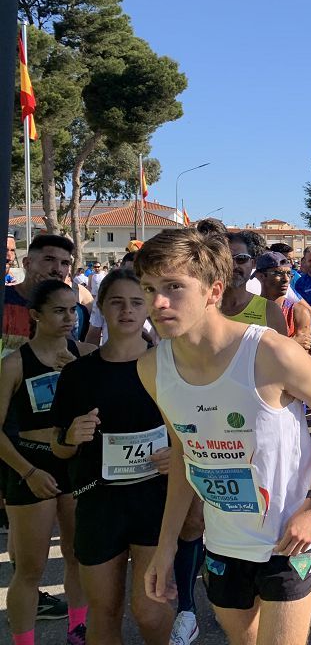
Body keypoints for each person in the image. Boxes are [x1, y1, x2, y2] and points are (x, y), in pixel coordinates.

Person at [136, 229, 311, 644]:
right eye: (149, 288)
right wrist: (165, 546)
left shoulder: (270, 352)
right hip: (223, 542)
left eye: (174, 287)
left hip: (288, 539)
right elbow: (183, 453)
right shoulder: (151, 369)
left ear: (214, 290)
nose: (158, 302)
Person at [50, 269, 174, 644]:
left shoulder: (168, 366)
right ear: (101, 307)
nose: (127, 311)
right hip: (98, 505)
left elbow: (195, 435)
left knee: (151, 613)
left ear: (149, 308)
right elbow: (59, 446)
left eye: (137, 302)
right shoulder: (78, 373)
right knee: (104, 614)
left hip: (156, 503)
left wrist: (179, 456)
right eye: (117, 302)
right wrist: (70, 436)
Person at [0, 280, 94, 645]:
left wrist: (80, 376)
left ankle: (77, 630)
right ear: (36, 315)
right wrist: (28, 471)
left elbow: (105, 412)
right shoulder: (14, 364)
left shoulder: (84, 354)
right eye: (59, 310)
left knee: (76, 556)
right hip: (30, 467)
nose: (70, 317)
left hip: (71, 466)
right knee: (30, 569)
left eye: (73, 310)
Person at [221, 233, 288, 335]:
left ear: (253, 264)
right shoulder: (203, 306)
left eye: (242, 258)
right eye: (226, 260)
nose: (234, 265)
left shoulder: (270, 311)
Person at [255, 252, 311, 351]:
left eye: (288, 273)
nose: (286, 279)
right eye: (278, 273)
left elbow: (301, 355)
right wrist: (292, 342)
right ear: (260, 276)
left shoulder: (298, 312)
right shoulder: (247, 308)